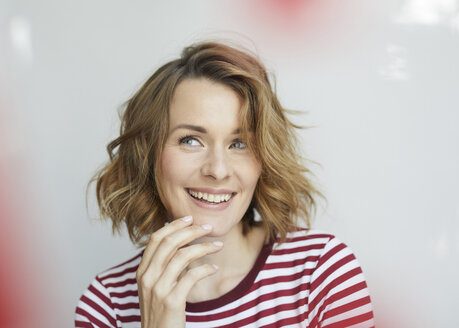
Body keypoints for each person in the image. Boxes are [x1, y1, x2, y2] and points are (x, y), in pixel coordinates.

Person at [75, 41, 375, 328]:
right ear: (149, 154)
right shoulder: (106, 307)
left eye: (239, 143)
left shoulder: (322, 272)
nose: (217, 170)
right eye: (191, 140)